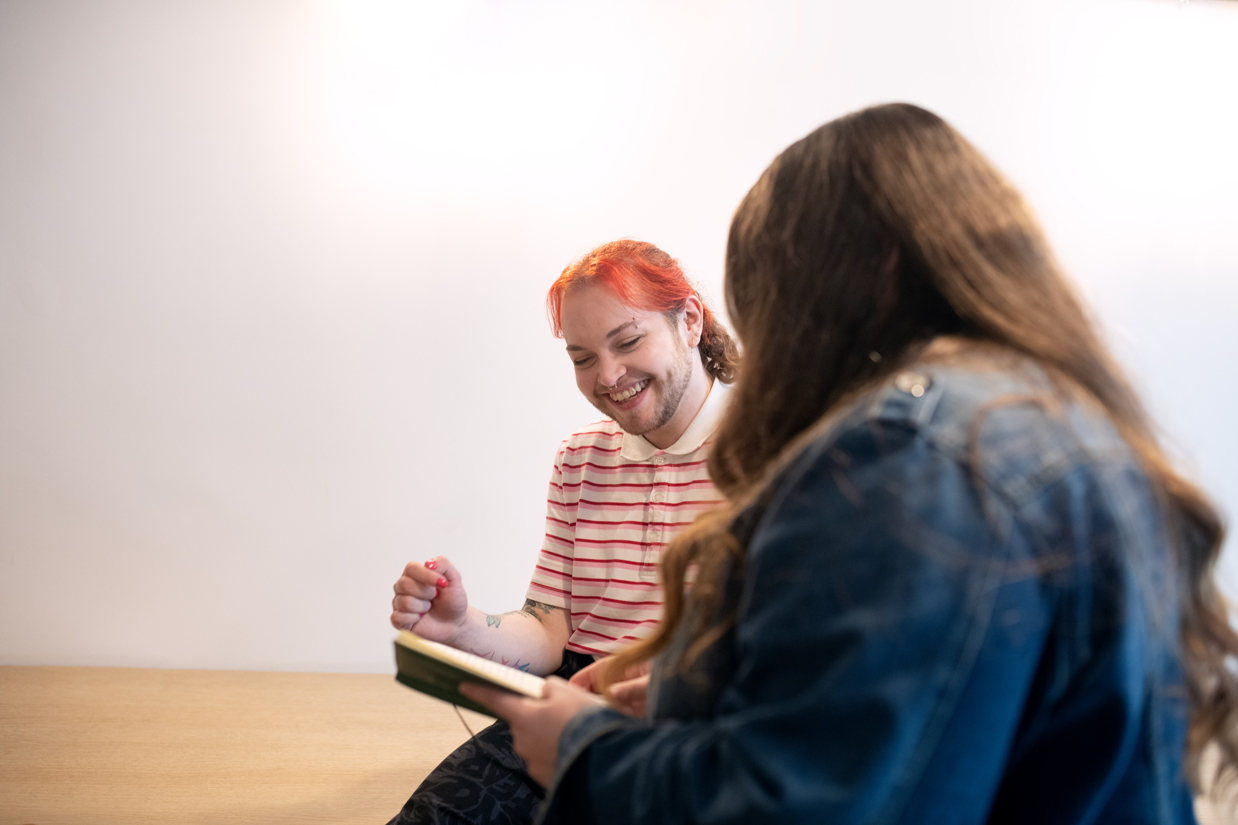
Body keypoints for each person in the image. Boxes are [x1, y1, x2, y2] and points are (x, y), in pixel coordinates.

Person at [462, 103, 1238, 824]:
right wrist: (674, 687)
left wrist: (589, 753)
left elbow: (803, 802)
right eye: (582, 356)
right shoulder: (1057, 417)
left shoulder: (902, 458)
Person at [386, 239, 739, 824]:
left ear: (691, 321)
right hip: (575, 699)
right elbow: (551, 633)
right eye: (582, 358)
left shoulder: (770, 451)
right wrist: (462, 627)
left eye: (627, 341)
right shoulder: (582, 457)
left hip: (698, 717)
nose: (609, 376)